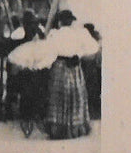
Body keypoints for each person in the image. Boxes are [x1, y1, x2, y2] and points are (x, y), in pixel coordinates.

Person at [41, 10, 99, 140]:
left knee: (60, 96)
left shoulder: (55, 34)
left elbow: (49, 51)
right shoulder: (79, 34)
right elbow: (93, 47)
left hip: (60, 66)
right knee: (75, 94)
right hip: (73, 65)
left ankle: (58, 127)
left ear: (60, 22)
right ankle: (75, 127)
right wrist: (78, 55)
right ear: (71, 21)